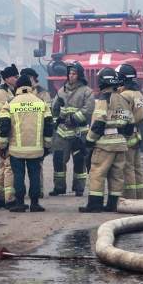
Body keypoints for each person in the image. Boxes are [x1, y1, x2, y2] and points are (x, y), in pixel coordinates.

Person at [0, 73, 53, 212]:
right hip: (36, 149)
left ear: (17, 87)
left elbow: (3, 127)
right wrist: (47, 146)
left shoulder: (10, 103)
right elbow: (49, 126)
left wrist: (2, 146)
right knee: (34, 175)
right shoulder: (41, 103)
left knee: (18, 176)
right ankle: (34, 203)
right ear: (30, 86)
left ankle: (20, 203)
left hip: (16, 150)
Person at [80, 67, 132, 213]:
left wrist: (89, 141)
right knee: (117, 176)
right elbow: (130, 125)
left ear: (102, 81)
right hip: (120, 144)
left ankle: (94, 205)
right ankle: (113, 205)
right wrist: (121, 137)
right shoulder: (123, 99)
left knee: (97, 173)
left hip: (104, 145)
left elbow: (98, 123)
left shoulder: (104, 99)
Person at [50, 61, 93, 197]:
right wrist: (57, 120)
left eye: (74, 73)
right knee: (58, 160)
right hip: (62, 133)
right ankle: (59, 187)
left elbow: (88, 110)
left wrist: (73, 118)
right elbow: (54, 109)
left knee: (80, 161)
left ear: (79, 75)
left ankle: (79, 188)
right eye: (69, 73)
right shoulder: (61, 91)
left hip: (79, 132)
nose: (71, 76)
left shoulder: (87, 91)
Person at [0, 64, 19, 209]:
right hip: (2, 133)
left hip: (4, 133)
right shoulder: (1, 92)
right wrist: (2, 136)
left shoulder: (9, 90)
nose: (17, 79)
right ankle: (9, 199)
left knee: (2, 165)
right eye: (15, 76)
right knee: (9, 166)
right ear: (7, 78)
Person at [116, 64, 143, 199]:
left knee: (127, 167)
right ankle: (140, 196)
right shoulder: (138, 94)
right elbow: (141, 116)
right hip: (137, 134)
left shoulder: (124, 96)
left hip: (127, 136)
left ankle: (129, 197)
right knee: (137, 167)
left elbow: (121, 117)